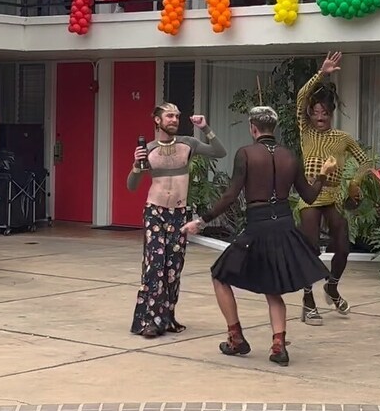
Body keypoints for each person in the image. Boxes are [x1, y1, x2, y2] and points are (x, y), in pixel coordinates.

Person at [183, 106, 337, 367]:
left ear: (253, 128)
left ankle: (235, 337)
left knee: (219, 275)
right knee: (273, 288)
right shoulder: (289, 155)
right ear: (272, 128)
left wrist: (203, 220)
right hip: (285, 227)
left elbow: (230, 195)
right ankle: (278, 345)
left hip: (257, 227)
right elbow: (310, 197)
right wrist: (322, 176)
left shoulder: (246, 153)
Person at [128, 103, 226, 338]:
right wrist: (135, 166)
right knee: (155, 266)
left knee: (173, 268)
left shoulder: (188, 144)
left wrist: (205, 128)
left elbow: (219, 151)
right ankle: (149, 321)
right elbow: (131, 187)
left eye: (177, 116)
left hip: (179, 213)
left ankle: (167, 317)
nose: (174, 119)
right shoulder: (148, 149)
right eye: (169, 116)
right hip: (155, 212)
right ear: (157, 120)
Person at [296, 51, 367, 326]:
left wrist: (356, 181)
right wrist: (321, 73)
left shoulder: (342, 138)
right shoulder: (305, 131)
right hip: (310, 195)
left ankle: (332, 287)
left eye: (324, 113)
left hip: (333, 196)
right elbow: (302, 96)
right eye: (315, 113)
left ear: (331, 114)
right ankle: (307, 299)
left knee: (343, 245)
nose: (319, 117)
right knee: (310, 245)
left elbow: (365, 161)